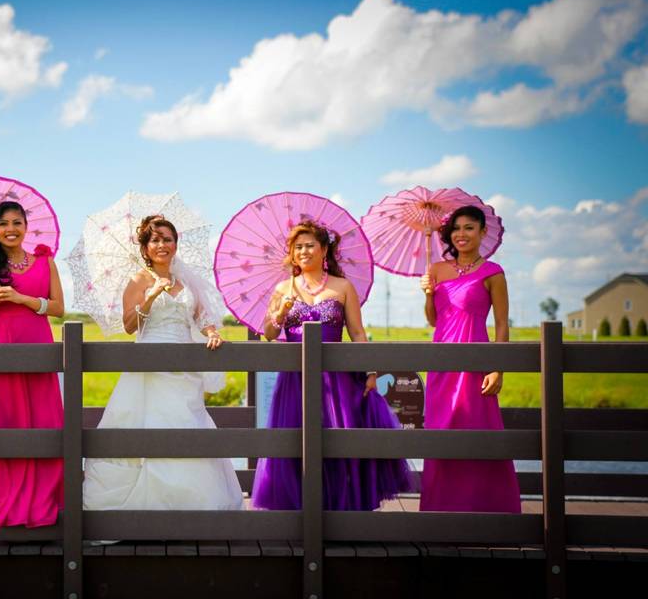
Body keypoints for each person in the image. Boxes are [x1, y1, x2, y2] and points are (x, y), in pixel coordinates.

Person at [83, 215, 244, 511]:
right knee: (147, 426)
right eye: (155, 240)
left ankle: (192, 505)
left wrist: (211, 332)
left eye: (168, 239)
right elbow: (130, 325)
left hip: (183, 366)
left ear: (175, 244)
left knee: (187, 425)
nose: (162, 245)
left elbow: (200, 316)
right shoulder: (137, 281)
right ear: (144, 248)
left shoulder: (186, 281)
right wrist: (149, 297)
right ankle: (145, 508)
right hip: (149, 366)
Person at [252, 219, 413, 511]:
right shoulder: (282, 288)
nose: (303, 251)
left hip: (336, 379)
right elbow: (269, 333)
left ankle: (340, 511)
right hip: (295, 380)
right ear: (291, 253)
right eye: (297, 247)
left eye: (310, 245)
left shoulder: (343, 287)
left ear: (324, 249)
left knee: (337, 438)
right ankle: (299, 510)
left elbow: (357, 332)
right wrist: (282, 310)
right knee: (294, 440)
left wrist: (371, 372)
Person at [419, 205, 521, 512]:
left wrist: (497, 368)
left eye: (469, 228)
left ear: (482, 232)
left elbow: (502, 323)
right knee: (441, 431)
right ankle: (440, 510)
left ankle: (488, 509)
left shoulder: (493, 273)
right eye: (456, 229)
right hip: (441, 364)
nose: (461, 234)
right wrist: (427, 294)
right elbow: (433, 321)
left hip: (476, 361)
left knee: (478, 430)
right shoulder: (436, 269)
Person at [0, 201, 64, 527]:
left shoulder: (45, 262)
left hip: (39, 350)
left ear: (26, 226)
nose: (11, 229)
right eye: (4, 224)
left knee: (44, 423)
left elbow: (59, 308)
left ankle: (44, 499)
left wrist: (22, 299)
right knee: (5, 425)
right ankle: (4, 498)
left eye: (17, 222)